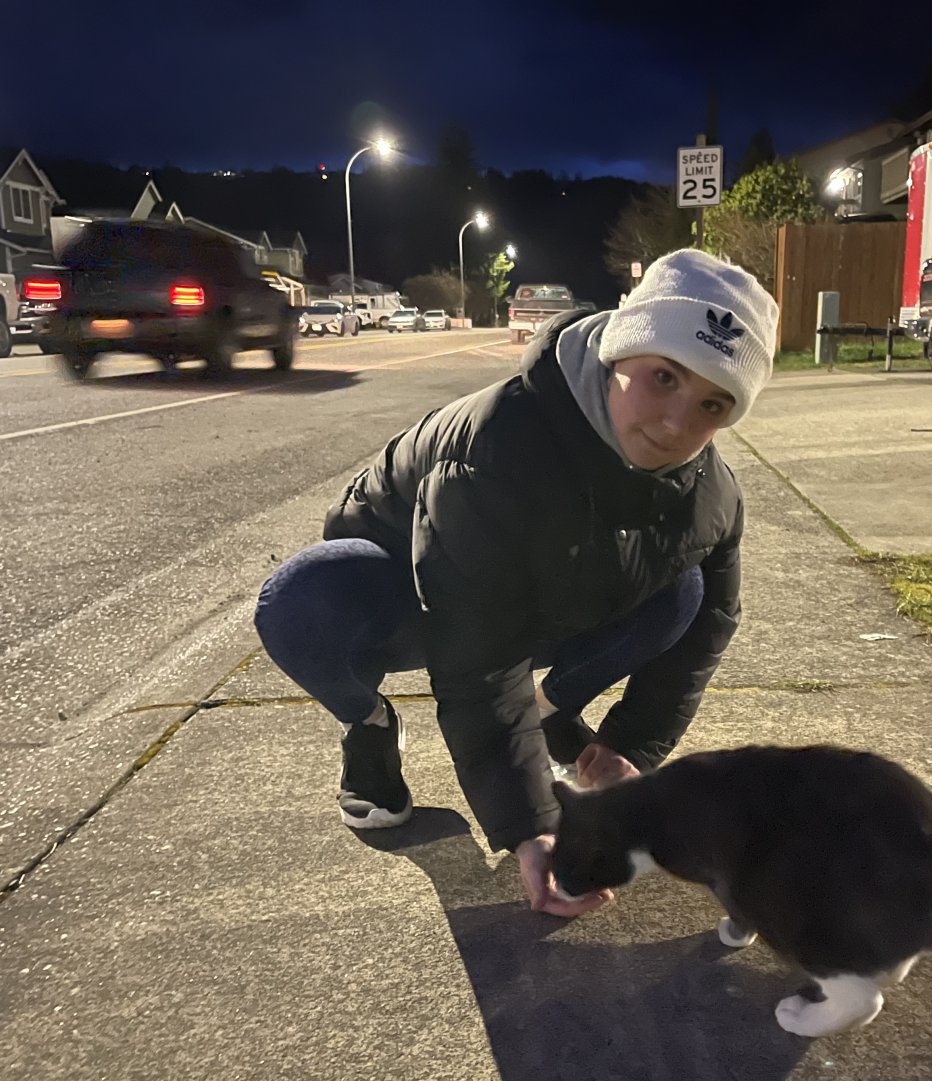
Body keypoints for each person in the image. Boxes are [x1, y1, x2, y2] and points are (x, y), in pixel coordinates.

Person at [255, 249, 779, 916]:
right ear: (620, 350)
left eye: (712, 403)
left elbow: (710, 627)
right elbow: (479, 655)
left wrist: (631, 749)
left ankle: (549, 710)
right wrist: (530, 823)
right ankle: (368, 725)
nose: (676, 423)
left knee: (685, 592)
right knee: (300, 600)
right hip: (405, 589)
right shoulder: (498, 450)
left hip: (530, 587)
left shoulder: (713, 495)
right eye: (663, 377)